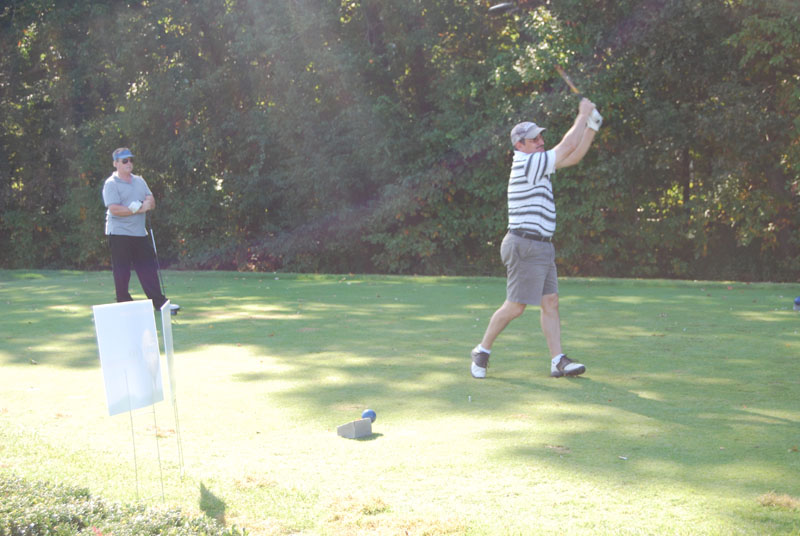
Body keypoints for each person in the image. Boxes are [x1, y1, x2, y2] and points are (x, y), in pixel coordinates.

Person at [471, 98, 602, 379]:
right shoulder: (526, 162)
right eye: (534, 139)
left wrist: (592, 127)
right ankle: (481, 351)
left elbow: (573, 157)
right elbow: (566, 146)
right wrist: (582, 115)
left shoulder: (539, 162)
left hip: (541, 245)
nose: (540, 142)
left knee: (550, 301)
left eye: (541, 137)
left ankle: (558, 361)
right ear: (519, 145)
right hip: (524, 244)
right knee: (516, 307)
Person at [102, 147, 180, 313]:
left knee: (148, 269)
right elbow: (114, 209)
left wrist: (146, 205)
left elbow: (151, 200)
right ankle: (124, 304)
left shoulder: (139, 181)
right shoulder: (111, 184)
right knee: (122, 271)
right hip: (119, 233)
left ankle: (160, 303)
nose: (129, 163)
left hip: (139, 233)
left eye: (131, 160)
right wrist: (138, 209)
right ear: (116, 163)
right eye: (124, 161)